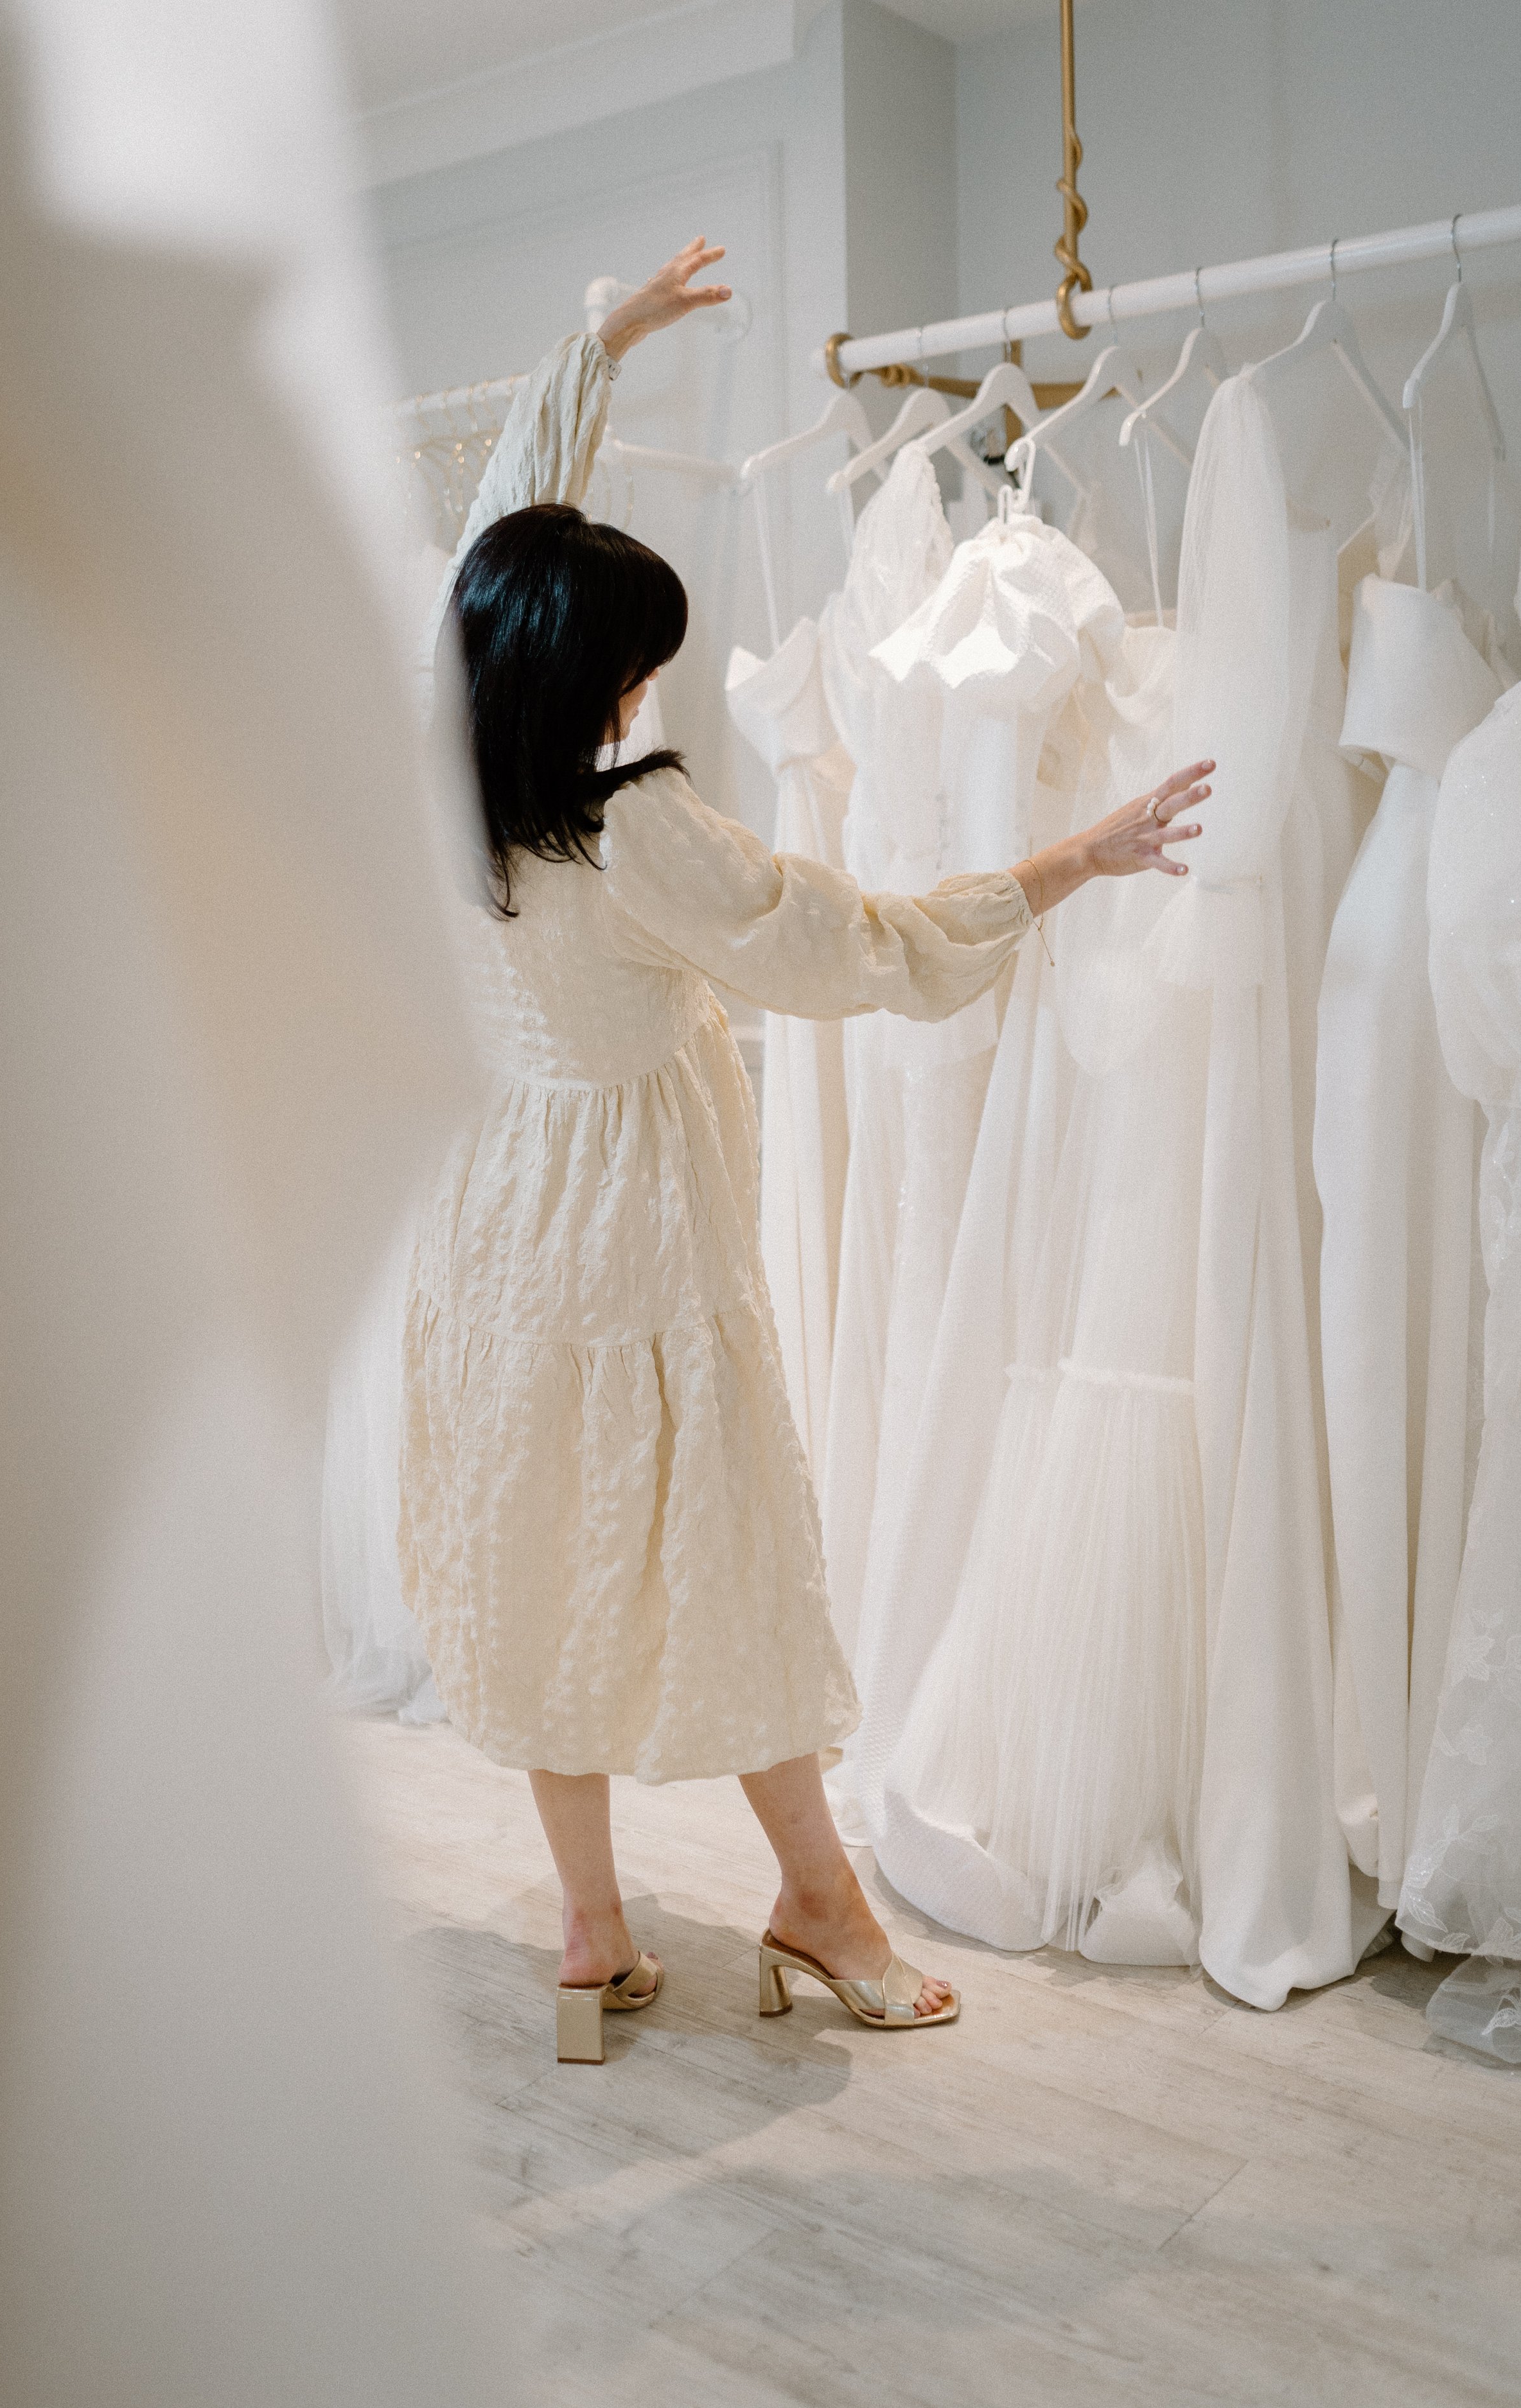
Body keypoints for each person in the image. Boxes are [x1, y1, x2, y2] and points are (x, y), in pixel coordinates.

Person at [401, 238, 1213, 2059]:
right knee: (732, 1557)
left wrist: (590, 345)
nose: (641, 695)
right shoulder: (641, 829)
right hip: (632, 1230)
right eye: (634, 670)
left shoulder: (441, 755)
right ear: (592, 686)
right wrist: (1064, 864)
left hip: (489, 1223)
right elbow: (853, 947)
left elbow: (496, 539)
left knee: (543, 1552)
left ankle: (591, 1932)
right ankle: (818, 1900)